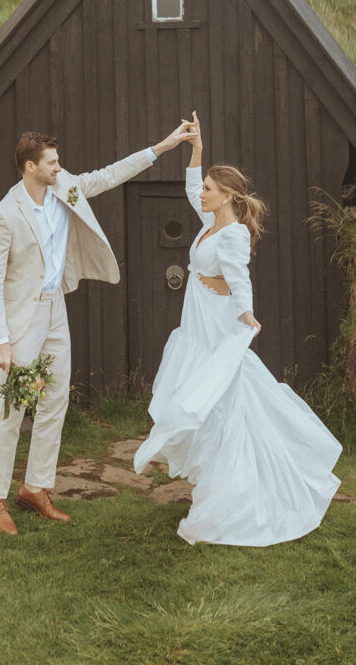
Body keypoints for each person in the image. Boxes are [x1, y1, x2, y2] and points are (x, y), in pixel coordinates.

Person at [134, 112, 342, 546]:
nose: (202, 194)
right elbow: (192, 188)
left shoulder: (232, 235)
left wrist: (247, 314)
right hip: (198, 319)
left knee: (223, 395)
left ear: (227, 196)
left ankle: (238, 486)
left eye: (210, 189)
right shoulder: (211, 222)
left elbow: (240, 277)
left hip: (216, 321)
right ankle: (216, 474)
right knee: (210, 394)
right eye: (206, 188)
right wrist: (197, 151)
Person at [0, 124, 193, 535]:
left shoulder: (65, 186)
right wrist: (0, 339)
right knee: (12, 407)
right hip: (22, 319)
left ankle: (35, 487)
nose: (61, 167)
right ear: (30, 167)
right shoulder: (6, 214)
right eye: (52, 163)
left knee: (55, 400)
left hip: (56, 308)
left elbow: (109, 175)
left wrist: (162, 147)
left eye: (59, 161)